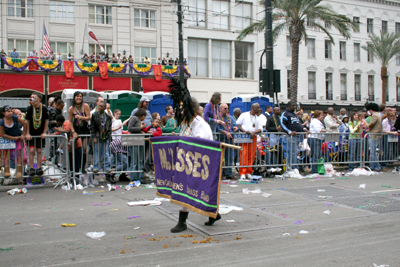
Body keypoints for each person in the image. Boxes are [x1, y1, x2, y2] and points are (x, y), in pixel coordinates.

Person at [170, 96, 216, 233]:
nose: (181, 111)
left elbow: (201, 143)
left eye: (183, 108)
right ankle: (212, 214)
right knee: (188, 190)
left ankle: (183, 221)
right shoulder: (187, 123)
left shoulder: (199, 123)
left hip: (199, 164)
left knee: (195, 191)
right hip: (187, 163)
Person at [52, 115, 85, 185]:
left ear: (59, 122)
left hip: (76, 146)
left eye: (57, 123)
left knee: (76, 164)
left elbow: (67, 131)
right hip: (70, 148)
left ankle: (76, 180)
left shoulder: (67, 123)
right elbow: (57, 133)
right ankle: (72, 179)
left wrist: (58, 130)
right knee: (70, 164)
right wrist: (50, 134)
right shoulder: (62, 126)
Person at [236, 103, 263, 179]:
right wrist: (244, 131)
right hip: (244, 137)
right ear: (253, 108)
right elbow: (238, 124)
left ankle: (248, 171)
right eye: (258, 107)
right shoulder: (244, 115)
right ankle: (242, 172)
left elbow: (261, 128)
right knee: (243, 154)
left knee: (251, 155)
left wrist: (254, 132)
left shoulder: (258, 118)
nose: (259, 109)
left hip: (253, 137)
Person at [90, 102, 115, 183]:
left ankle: (107, 167)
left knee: (106, 153)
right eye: (99, 106)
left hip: (105, 137)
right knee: (97, 152)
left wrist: (107, 136)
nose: (99, 107)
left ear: (104, 108)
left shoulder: (108, 117)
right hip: (97, 136)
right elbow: (92, 127)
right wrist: (94, 136)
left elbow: (109, 128)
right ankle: (96, 167)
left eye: (101, 106)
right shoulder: (94, 115)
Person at [25, 93, 49, 176]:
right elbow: (27, 121)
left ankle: (39, 167)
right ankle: (31, 167)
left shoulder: (44, 108)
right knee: (31, 151)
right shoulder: (29, 108)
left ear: (38, 99)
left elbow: (46, 120)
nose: (31, 100)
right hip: (31, 133)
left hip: (40, 133)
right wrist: (27, 133)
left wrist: (44, 132)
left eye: (34, 98)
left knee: (39, 150)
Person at [0, 105, 27, 179]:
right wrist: (12, 138)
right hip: (8, 139)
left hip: (18, 138)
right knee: (6, 155)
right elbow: (2, 134)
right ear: (4, 113)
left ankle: (18, 171)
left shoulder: (15, 118)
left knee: (18, 154)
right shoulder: (2, 122)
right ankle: (6, 171)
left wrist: (23, 134)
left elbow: (25, 124)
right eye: (8, 111)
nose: (10, 113)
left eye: (11, 111)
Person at [280, 100, 308, 170]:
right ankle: (293, 167)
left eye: (295, 105)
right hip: (291, 136)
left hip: (299, 136)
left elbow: (298, 124)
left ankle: (293, 166)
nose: (294, 107)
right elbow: (282, 124)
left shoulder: (295, 114)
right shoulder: (285, 114)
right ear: (289, 106)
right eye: (293, 105)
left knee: (296, 152)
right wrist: (289, 132)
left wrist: (304, 128)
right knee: (293, 152)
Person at [68, 91, 91, 173]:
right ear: (74, 98)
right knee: (73, 148)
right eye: (77, 96)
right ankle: (73, 168)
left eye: (80, 96)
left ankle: (83, 167)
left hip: (84, 129)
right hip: (76, 130)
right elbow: (70, 121)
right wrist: (73, 132)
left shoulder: (85, 106)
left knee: (84, 148)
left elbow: (88, 117)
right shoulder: (71, 108)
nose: (79, 98)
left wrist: (80, 117)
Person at [216, 103, 238, 179]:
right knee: (220, 157)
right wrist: (225, 132)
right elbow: (217, 128)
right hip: (220, 139)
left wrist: (235, 127)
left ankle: (228, 173)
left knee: (228, 157)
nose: (227, 110)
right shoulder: (218, 118)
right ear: (221, 109)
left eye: (227, 108)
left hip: (229, 140)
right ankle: (220, 174)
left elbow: (235, 125)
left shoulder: (230, 118)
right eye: (225, 108)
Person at [127, 108, 148, 184]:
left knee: (140, 159)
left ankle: (140, 177)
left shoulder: (139, 120)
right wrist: (140, 128)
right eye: (144, 116)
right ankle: (133, 178)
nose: (144, 118)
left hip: (140, 140)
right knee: (134, 160)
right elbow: (130, 128)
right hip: (134, 141)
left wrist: (142, 130)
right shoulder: (134, 118)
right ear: (142, 115)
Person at [364, 103, 382, 172]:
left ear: (371, 109)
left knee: (372, 152)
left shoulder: (375, 116)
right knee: (373, 152)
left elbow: (371, 124)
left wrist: (365, 122)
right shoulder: (378, 115)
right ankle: (374, 166)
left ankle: (375, 166)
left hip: (374, 135)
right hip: (375, 134)